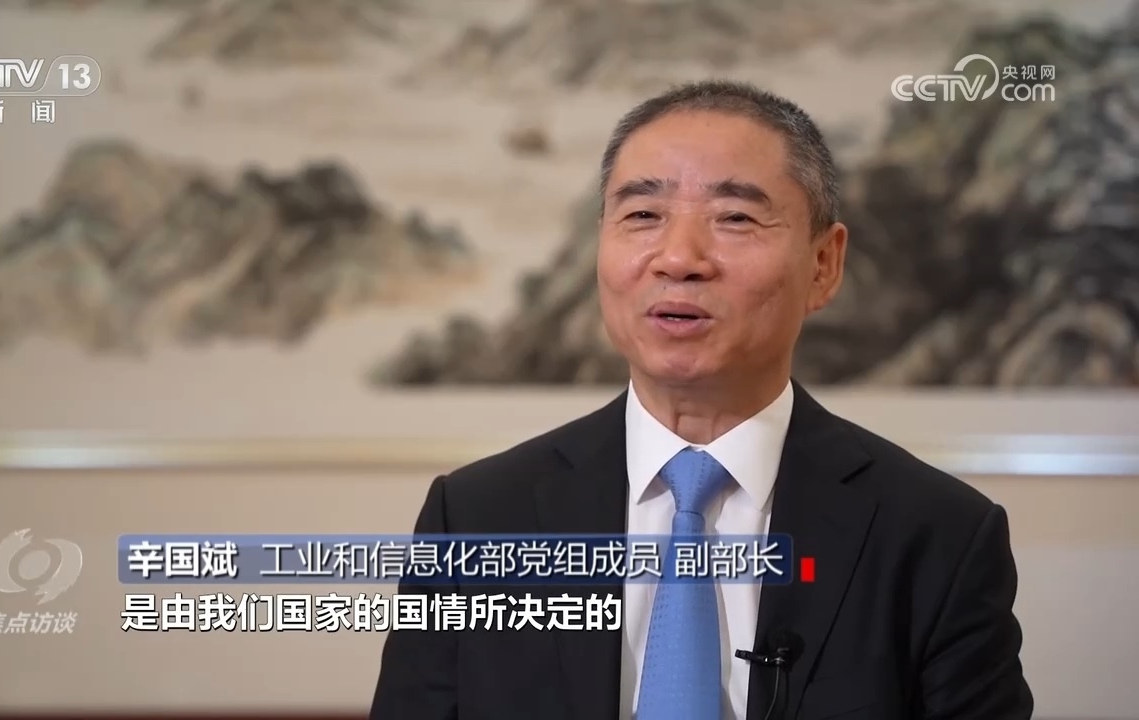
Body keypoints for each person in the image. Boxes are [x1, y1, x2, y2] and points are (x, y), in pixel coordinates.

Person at [369, 80, 1034, 720]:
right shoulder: (477, 519)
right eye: (643, 215)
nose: (679, 258)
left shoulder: (936, 536)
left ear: (823, 266)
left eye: (735, 217)